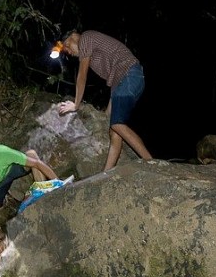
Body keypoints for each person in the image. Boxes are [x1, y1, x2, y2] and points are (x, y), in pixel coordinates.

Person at [57, 30, 154, 171]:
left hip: (130, 75)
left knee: (117, 125)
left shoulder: (85, 38)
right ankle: (106, 173)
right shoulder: (92, 51)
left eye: (66, 45)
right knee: (114, 131)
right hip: (124, 81)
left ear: (73, 37)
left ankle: (152, 164)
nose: (67, 51)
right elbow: (116, 86)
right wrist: (106, 114)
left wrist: (76, 104)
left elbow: (82, 75)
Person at [0, 144, 58, 264]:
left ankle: (43, 194)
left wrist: (59, 183)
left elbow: (37, 164)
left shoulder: (2, 154)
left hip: (10, 171)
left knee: (31, 155)